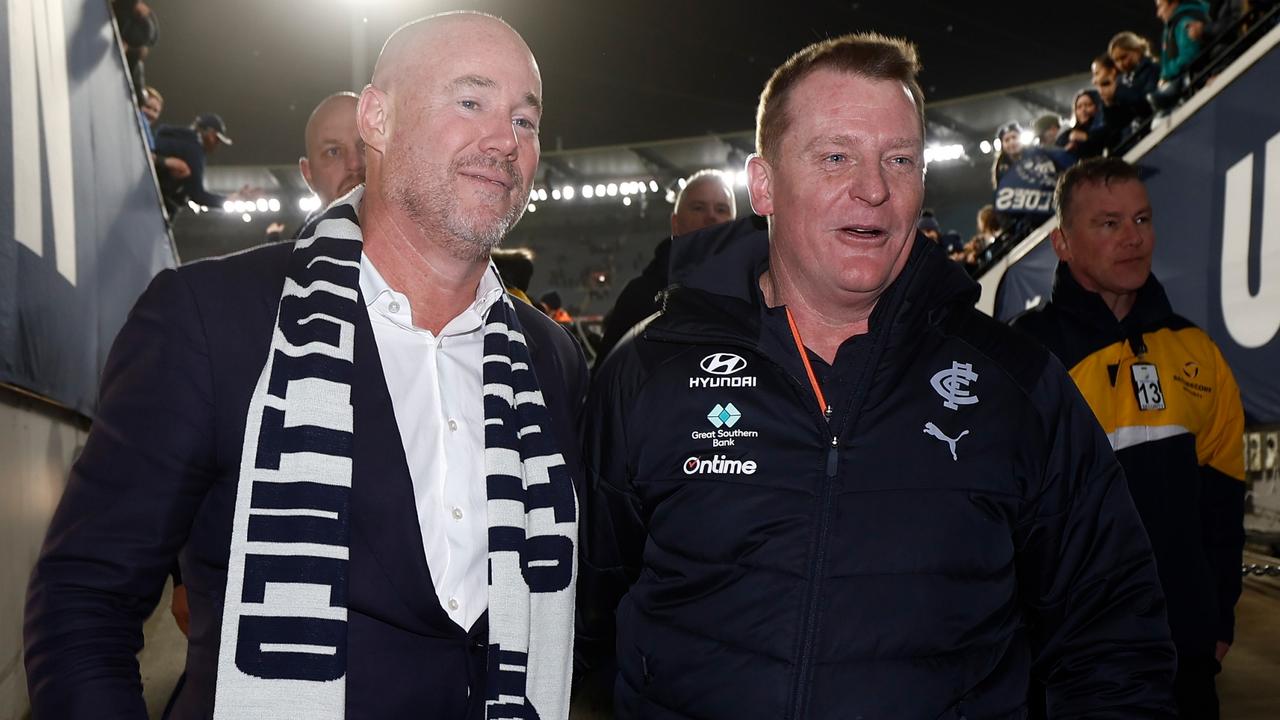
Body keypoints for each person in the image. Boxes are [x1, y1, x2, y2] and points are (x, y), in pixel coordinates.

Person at [579, 31, 1175, 719]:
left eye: (900, 159)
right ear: (764, 185)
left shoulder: (1017, 386)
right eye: (836, 157)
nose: (873, 189)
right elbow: (583, 624)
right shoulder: (648, 372)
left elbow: (1113, 634)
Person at [25, 12, 585, 720]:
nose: (506, 141)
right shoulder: (209, 318)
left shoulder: (550, 359)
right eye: (471, 102)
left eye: (527, 121)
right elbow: (83, 601)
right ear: (376, 120)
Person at [1012, 157, 1245, 719]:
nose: (1133, 239)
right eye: (1109, 223)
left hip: (1184, 647)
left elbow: (1223, 498)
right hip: (1071, 659)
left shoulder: (1197, 351)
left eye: (1141, 220)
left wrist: (1218, 617)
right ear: (1062, 243)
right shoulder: (1024, 360)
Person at [593, 169, 736, 367]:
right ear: (675, 224)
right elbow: (606, 385)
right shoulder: (639, 297)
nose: (711, 217)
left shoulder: (755, 297)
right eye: (698, 207)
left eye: (721, 209)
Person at [267, 92, 367, 242]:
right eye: (333, 152)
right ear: (308, 174)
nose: (354, 164)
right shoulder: (286, 263)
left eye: (366, 147)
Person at [152, 113, 237, 216]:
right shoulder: (194, 150)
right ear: (208, 132)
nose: (217, 144)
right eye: (216, 138)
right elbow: (198, 195)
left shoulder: (170, 134)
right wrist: (228, 199)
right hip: (152, 201)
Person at [1109, 31, 1160, 122]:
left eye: (1123, 57)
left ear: (1138, 50)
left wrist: (1119, 91)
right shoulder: (1121, 80)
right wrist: (1108, 102)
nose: (1120, 64)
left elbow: (1148, 103)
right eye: (1116, 61)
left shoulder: (1152, 69)